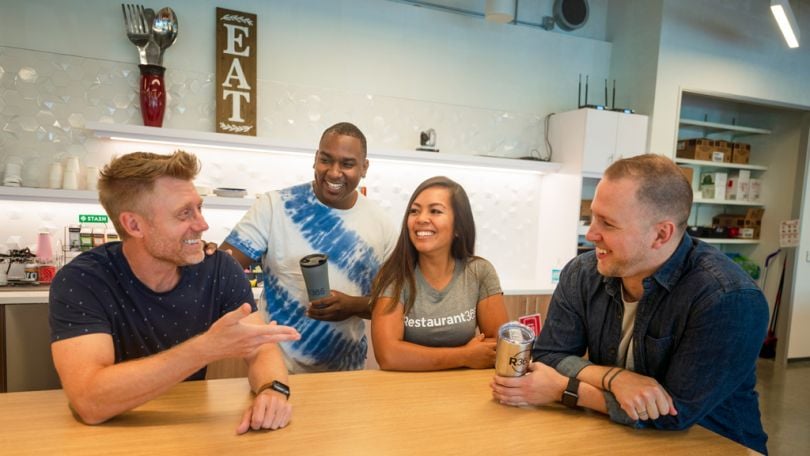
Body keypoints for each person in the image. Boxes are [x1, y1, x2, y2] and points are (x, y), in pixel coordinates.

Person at [490, 154, 769, 454]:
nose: (591, 233)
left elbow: (673, 413)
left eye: (608, 223)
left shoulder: (727, 298)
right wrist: (616, 378)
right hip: (619, 437)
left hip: (715, 445)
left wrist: (566, 389)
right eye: (593, 216)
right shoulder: (583, 272)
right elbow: (550, 354)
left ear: (661, 234)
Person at [49, 150, 300, 434]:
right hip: (106, 434)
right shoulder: (82, 281)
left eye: (199, 208)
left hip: (188, 428)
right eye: (184, 213)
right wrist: (205, 348)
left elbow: (261, 348)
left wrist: (273, 391)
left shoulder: (218, 269)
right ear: (134, 225)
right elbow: (89, 402)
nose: (202, 224)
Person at [220, 122, 397, 373]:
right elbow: (222, 271)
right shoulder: (274, 206)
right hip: (276, 373)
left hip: (349, 376)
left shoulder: (381, 223)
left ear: (364, 167)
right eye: (326, 160)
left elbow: (397, 302)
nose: (334, 173)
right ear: (315, 159)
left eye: (347, 164)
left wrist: (353, 306)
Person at [369, 176, 509, 371]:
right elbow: (388, 355)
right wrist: (464, 356)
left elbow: (499, 346)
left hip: (465, 389)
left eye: (435, 211)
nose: (421, 219)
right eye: (414, 211)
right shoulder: (393, 275)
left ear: (459, 227)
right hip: (404, 392)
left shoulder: (479, 271)